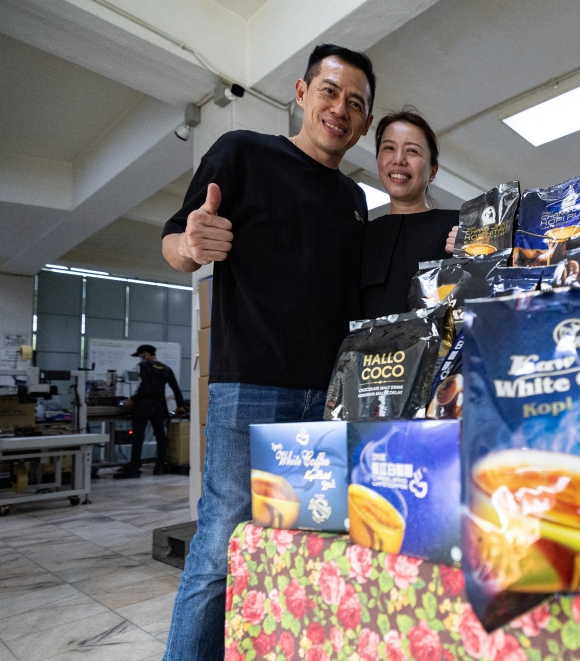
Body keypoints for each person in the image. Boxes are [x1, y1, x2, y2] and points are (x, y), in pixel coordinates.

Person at [159, 44, 376, 660]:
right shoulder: (244, 153)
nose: (340, 109)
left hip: (324, 403)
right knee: (220, 550)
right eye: (330, 92)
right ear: (302, 93)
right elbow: (176, 240)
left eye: (355, 104)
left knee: (299, 553)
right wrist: (190, 245)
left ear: (362, 124)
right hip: (249, 390)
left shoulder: (354, 201)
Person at [361, 108, 457, 317]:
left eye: (412, 150)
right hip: (374, 350)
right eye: (388, 147)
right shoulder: (361, 236)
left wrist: (476, 257)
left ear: (433, 171)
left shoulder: (459, 226)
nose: (399, 159)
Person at [113, 344, 185, 479]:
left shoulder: (143, 366)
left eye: (140, 355)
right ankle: (160, 467)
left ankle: (134, 467)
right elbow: (176, 388)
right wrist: (180, 405)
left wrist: (132, 399)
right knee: (161, 436)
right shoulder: (166, 368)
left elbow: (144, 386)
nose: (139, 358)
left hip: (143, 406)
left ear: (145, 354)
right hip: (159, 406)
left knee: (138, 436)